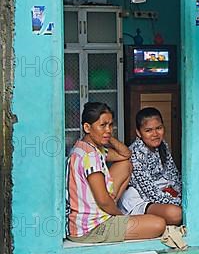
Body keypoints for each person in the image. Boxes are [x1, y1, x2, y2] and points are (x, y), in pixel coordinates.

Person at [66, 102, 166, 243]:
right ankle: (116, 215)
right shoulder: (91, 156)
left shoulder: (84, 147)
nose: (108, 129)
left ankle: (114, 214)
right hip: (92, 228)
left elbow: (125, 155)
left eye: (110, 125)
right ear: (87, 127)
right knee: (158, 224)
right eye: (103, 125)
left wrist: (106, 136)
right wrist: (120, 216)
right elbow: (103, 200)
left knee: (125, 165)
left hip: (87, 221)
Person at [119, 107, 183, 225]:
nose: (155, 134)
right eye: (148, 130)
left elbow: (174, 176)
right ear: (138, 133)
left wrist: (182, 196)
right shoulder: (136, 153)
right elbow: (150, 192)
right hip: (140, 199)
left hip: (162, 195)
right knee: (176, 214)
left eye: (159, 128)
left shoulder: (163, 145)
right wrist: (179, 202)